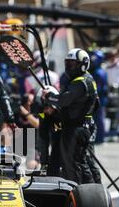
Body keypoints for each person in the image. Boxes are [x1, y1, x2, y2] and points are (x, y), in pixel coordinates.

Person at [41, 48, 100, 184]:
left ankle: (84, 193)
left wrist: (49, 97)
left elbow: (63, 100)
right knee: (81, 161)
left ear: (83, 64)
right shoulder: (85, 79)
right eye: (67, 63)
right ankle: (93, 190)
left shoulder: (81, 82)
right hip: (81, 126)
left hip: (78, 128)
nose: (69, 67)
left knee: (74, 163)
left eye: (72, 64)